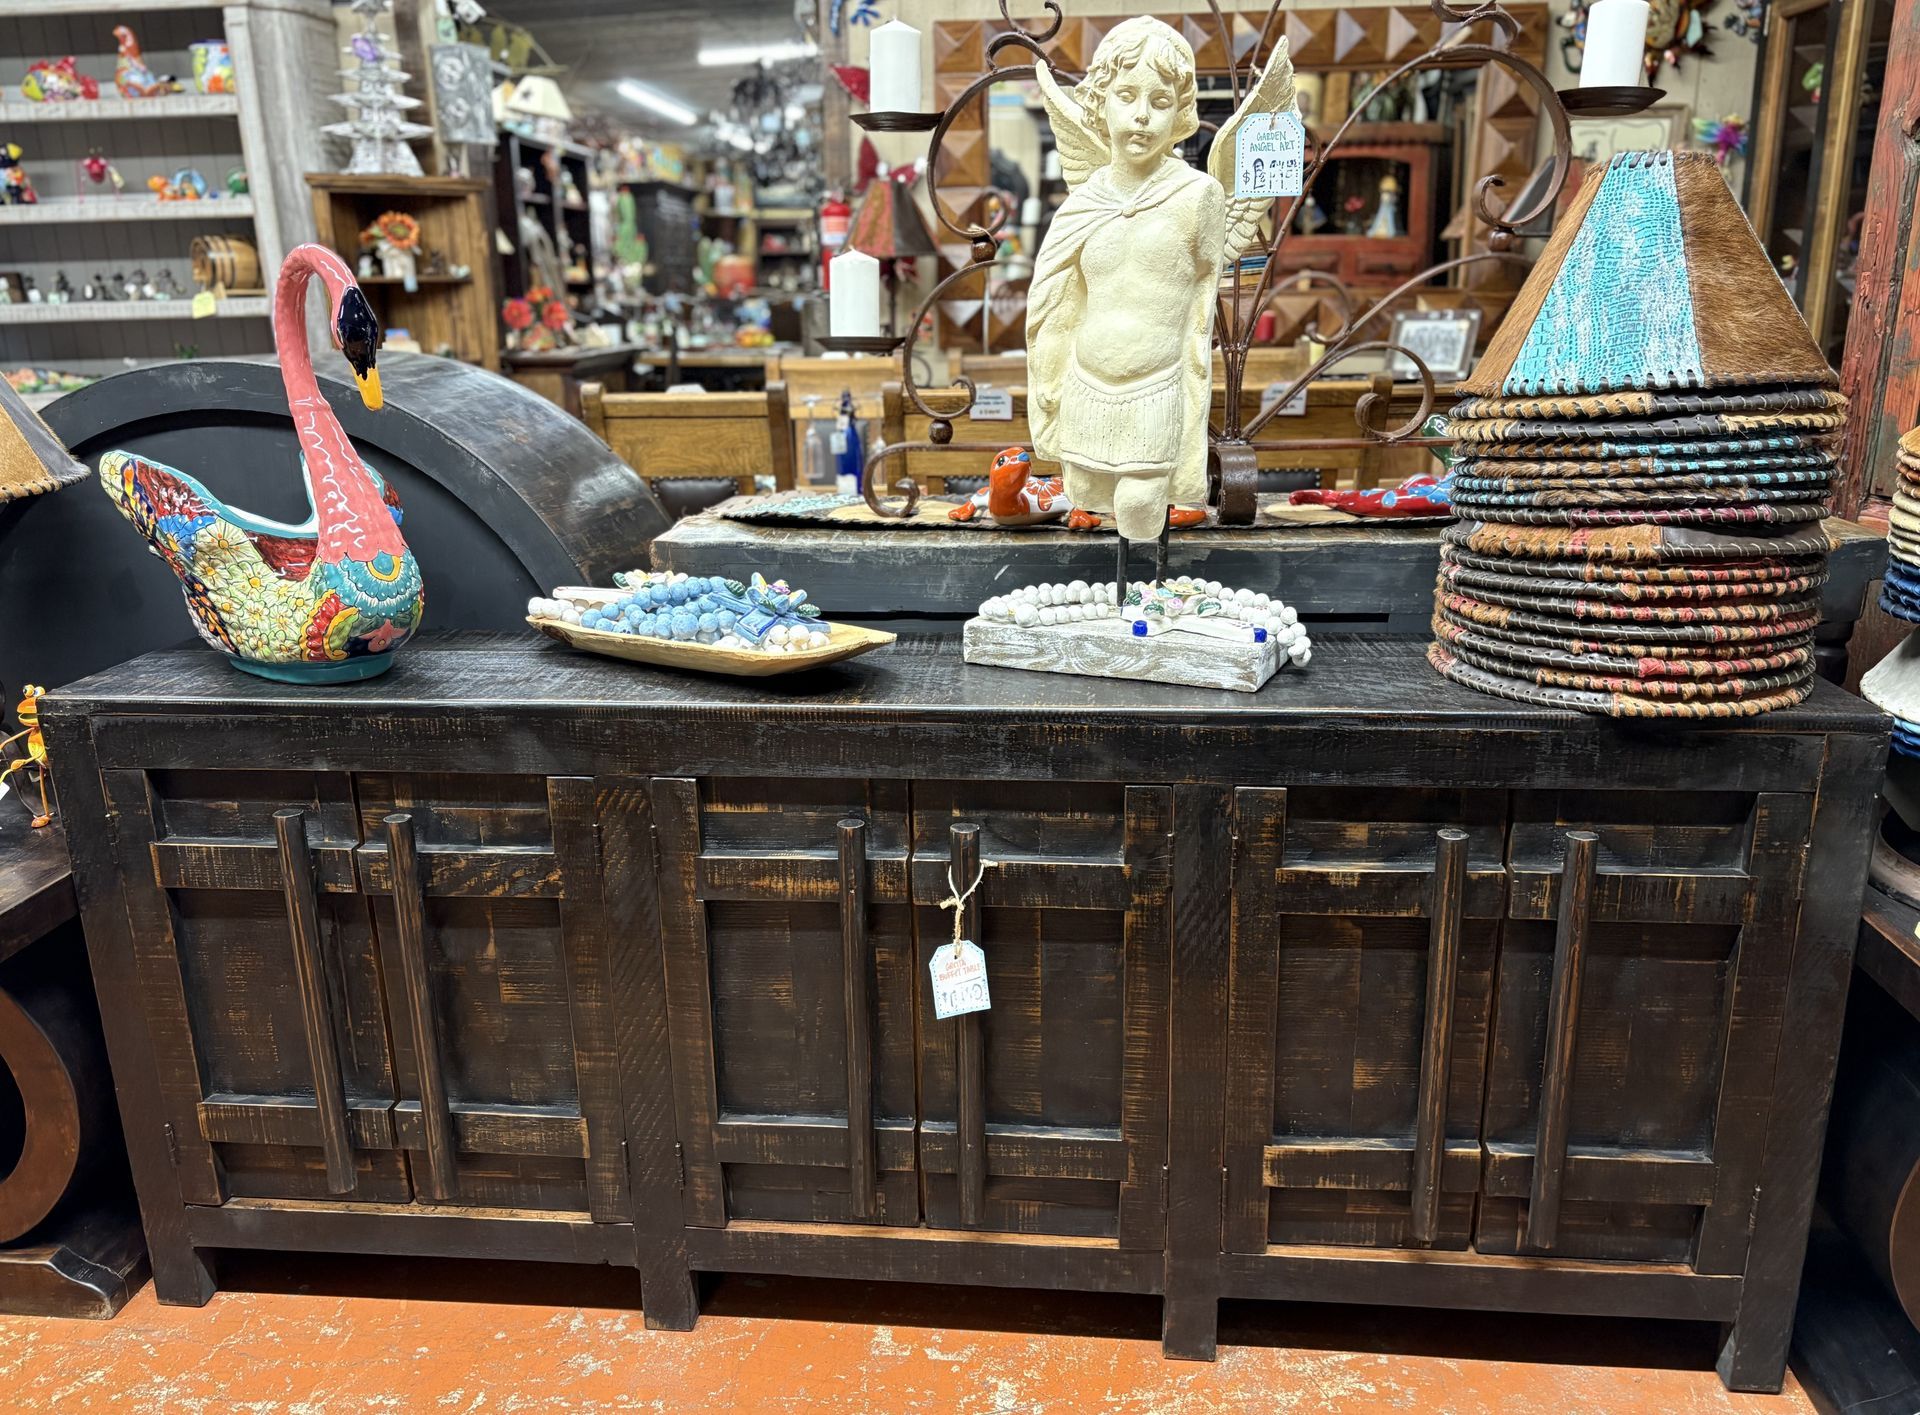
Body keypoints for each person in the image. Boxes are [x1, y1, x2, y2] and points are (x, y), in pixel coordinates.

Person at [1027, 18, 1224, 542]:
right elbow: (1057, 301)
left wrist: (1195, 383)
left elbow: (1206, 294)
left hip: (1154, 385)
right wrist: (1046, 380)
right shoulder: (1083, 203)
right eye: (1126, 95)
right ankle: (1124, 607)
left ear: (1180, 112)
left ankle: (1143, 603)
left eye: (1160, 101)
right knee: (1087, 495)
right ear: (1100, 103)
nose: (1141, 115)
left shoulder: (1197, 197)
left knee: (1140, 505)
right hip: (1085, 385)